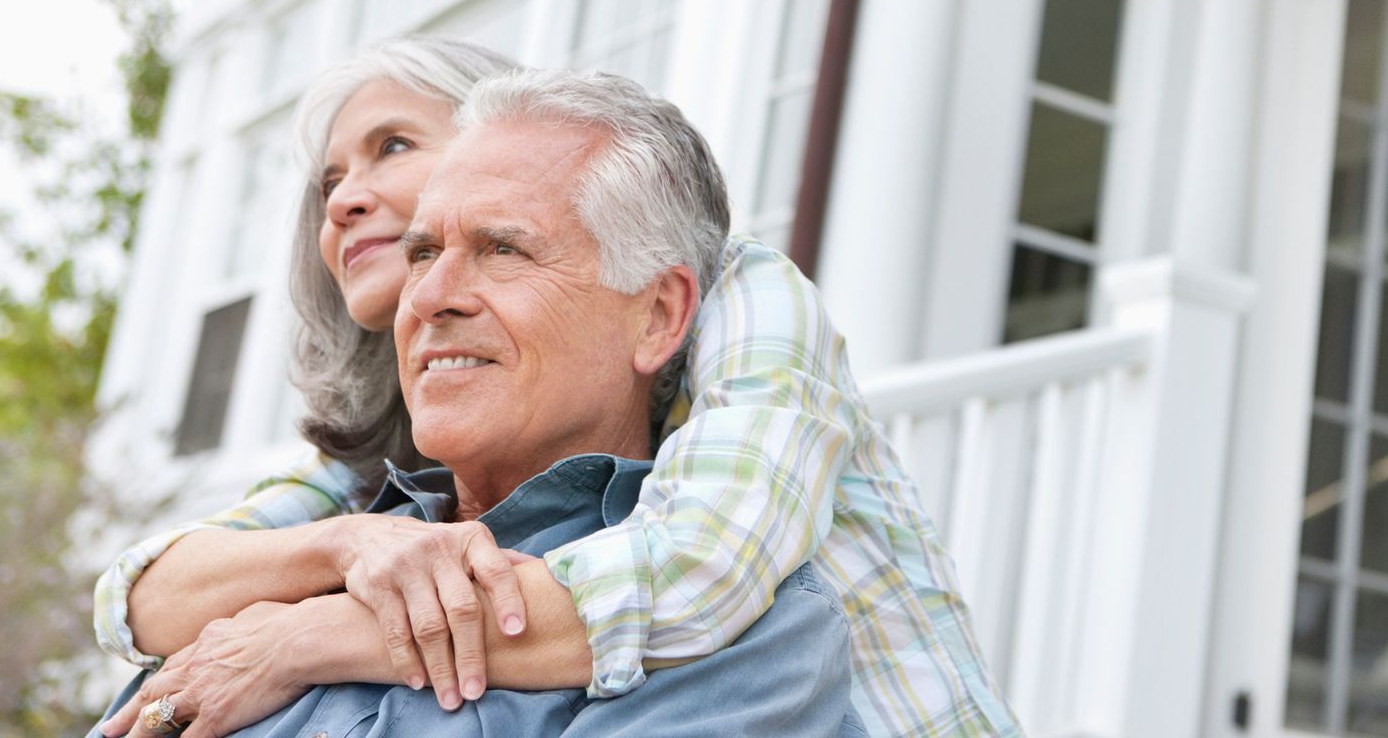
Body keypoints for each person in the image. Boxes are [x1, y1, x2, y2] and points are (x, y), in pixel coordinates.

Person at [95, 37, 1020, 738]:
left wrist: (318, 635)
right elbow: (144, 596)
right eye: (425, 252)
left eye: (393, 147)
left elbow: (705, 570)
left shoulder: (744, 308)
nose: (343, 199)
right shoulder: (370, 502)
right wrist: (347, 552)